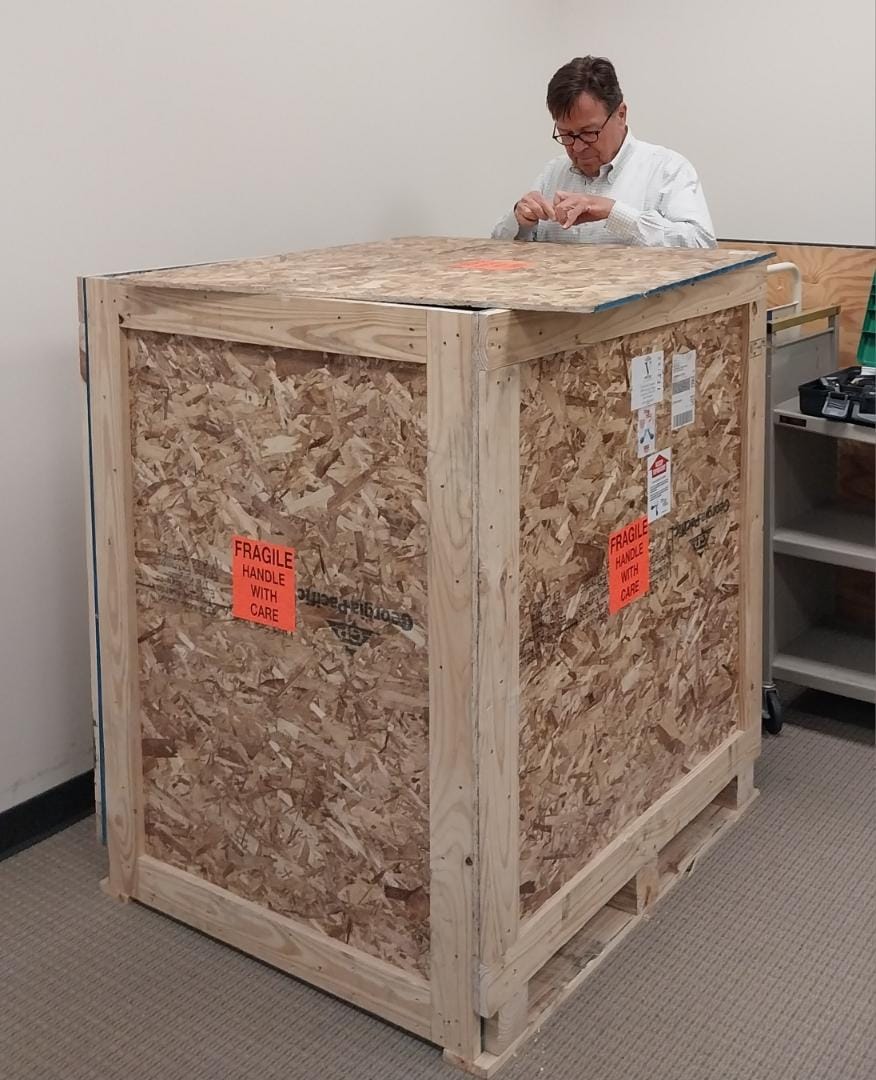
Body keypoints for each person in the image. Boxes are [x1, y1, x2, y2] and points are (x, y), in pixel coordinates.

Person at [492, 56, 716, 249]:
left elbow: (702, 245)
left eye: (589, 132)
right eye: (566, 135)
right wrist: (521, 220)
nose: (577, 147)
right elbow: (497, 251)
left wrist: (614, 213)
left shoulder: (667, 169)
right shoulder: (554, 172)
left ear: (621, 114)